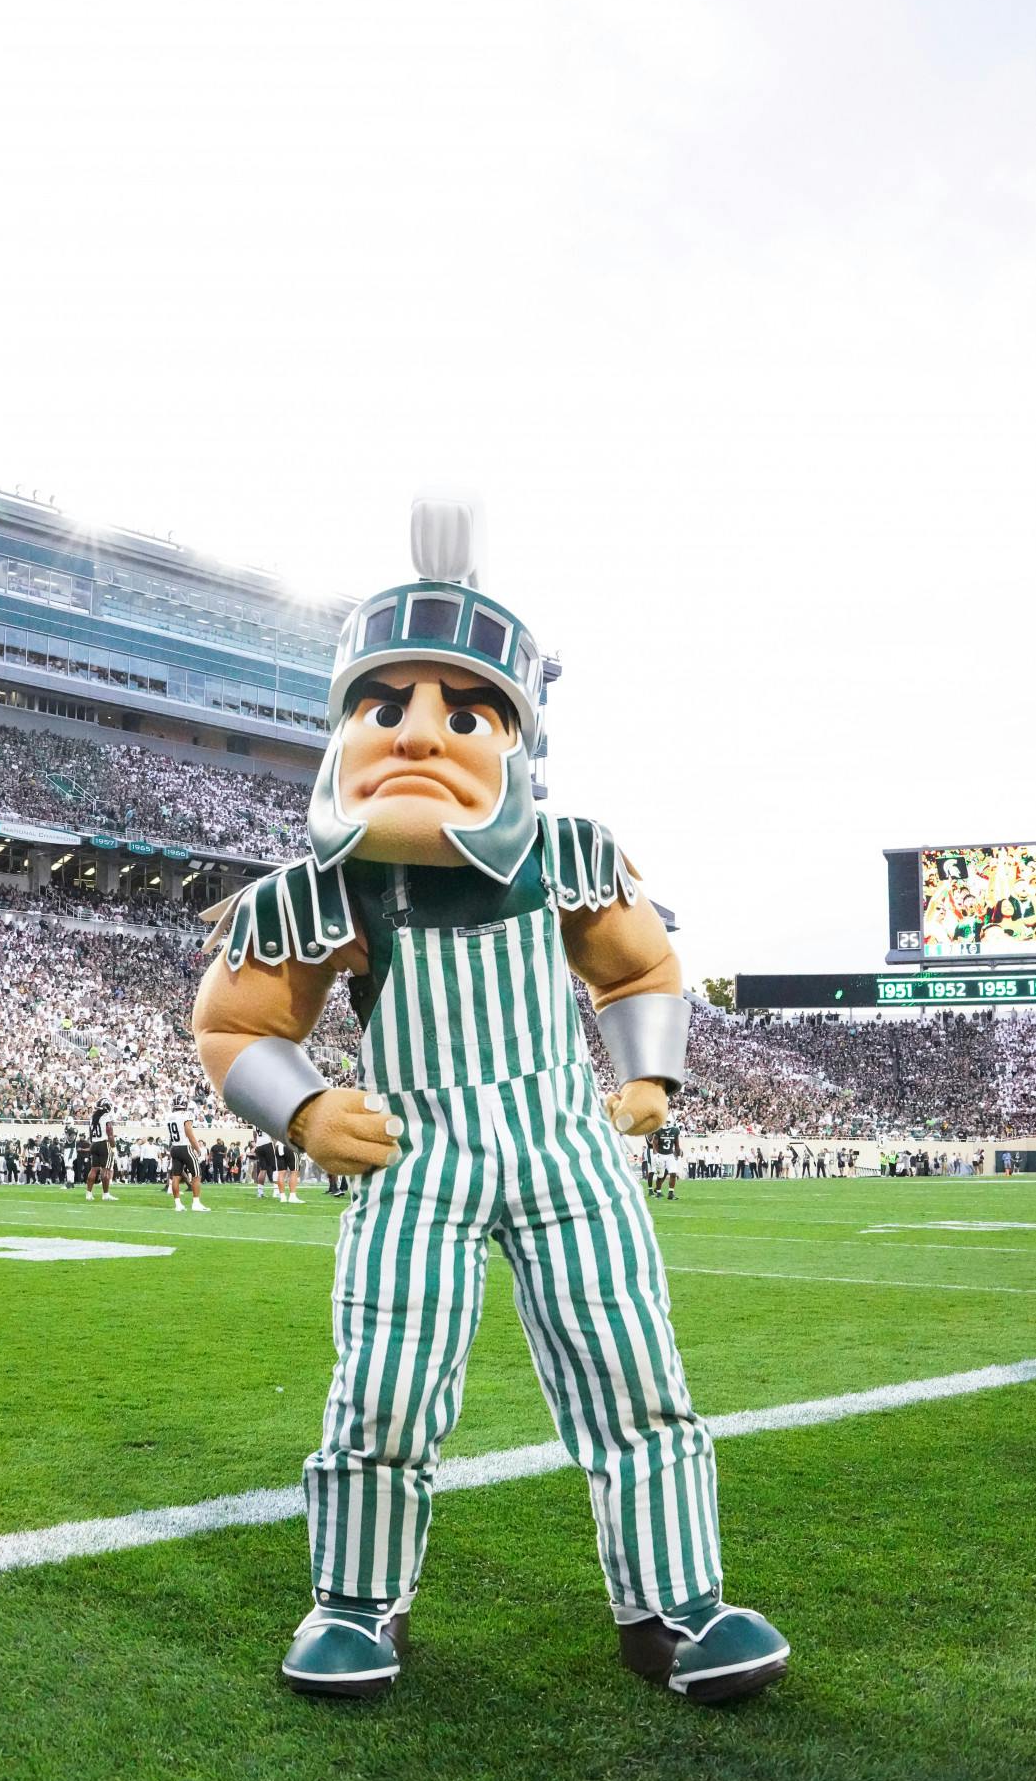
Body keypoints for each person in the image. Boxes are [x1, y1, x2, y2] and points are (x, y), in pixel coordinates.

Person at [193, 496, 786, 1704]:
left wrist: (649, 1076)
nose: (420, 731)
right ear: (345, 727)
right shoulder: (326, 890)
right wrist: (306, 1111)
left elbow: (640, 966)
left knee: (630, 1363)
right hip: (417, 1142)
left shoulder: (569, 852)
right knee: (390, 1377)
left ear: (514, 738)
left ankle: (674, 1604)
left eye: (462, 712)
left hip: (564, 1136)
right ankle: (358, 1600)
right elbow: (240, 1022)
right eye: (387, 704)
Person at [165, 1094, 210, 1213]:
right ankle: (196, 1203)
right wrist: (198, 1149)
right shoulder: (187, 1115)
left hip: (174, 1147)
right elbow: (189, 1132)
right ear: (185, 1104)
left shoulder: (169, 1116)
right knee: (197, 1174)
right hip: (185, 1147)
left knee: (176, 1177)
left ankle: (178, 1205)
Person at [86, 1097, 117, 1203]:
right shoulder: (106, 1117)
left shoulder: (92, 1118)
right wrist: (113, 1147)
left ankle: (89, 1194)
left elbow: (90, 1134)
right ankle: (105, 1194)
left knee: (93, 1169)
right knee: (105, 1170)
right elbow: (110, 1134)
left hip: (94, 1143)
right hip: (104, 1143)